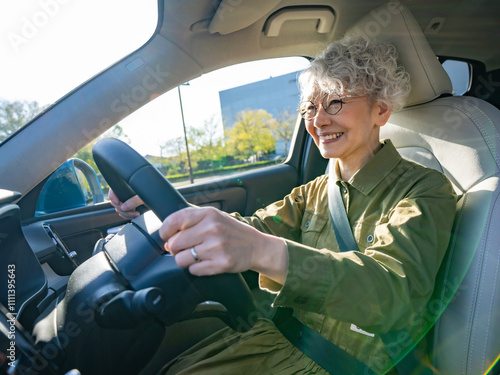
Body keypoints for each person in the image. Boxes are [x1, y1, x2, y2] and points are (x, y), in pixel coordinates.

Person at [109, 35, 457, 374]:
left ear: (380, 109)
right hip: (277, 338)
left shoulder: (424, 190)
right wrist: (159, 213)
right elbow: (251, 228)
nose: (318, 121)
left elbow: (390, 294)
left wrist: (264, 252)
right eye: (310, 107)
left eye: (335, 101)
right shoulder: (315, 191)